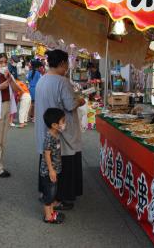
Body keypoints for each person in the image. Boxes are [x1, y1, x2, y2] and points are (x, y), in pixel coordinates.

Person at [35, 50, 86, 209]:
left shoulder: (42, 80)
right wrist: (80, 101)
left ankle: (47, 194)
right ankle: (61, 198)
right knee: (62, 163)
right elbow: (70, 105)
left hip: (46, 129)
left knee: (47, 161)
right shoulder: (62, 81)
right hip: (61, 132)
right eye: (67, 64)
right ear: (63, 63)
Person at [40, 108, 66, 224]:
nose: (64, 123)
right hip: (49, 171)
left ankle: (51, 213)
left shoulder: (55, 134)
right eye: (63, 121)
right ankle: (48, 216)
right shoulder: (49, 137)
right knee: (49, 194)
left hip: (54, 170)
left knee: (52, 192)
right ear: (55, 125)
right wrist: (51, 170)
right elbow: (46, 154)